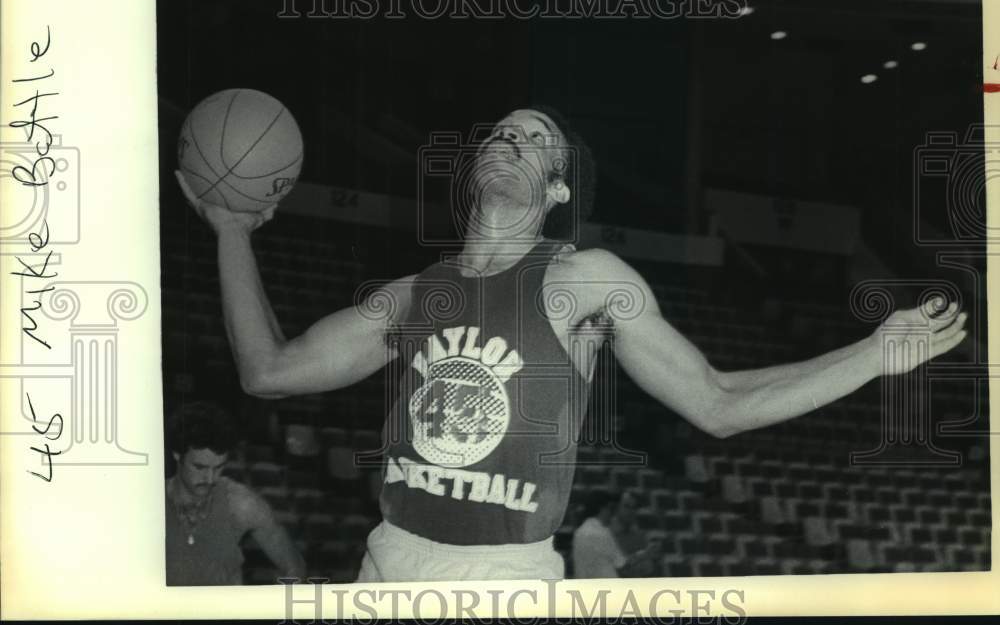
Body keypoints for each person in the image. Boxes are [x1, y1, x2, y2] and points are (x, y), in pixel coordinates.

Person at [175, 106, 968, 582]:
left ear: (557, 191)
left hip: (505, 577)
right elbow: (268, 372)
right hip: (386, 562)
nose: (510, 138)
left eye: (534, 137)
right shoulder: (415, 294)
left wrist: (872, 354)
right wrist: (231, 231)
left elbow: (718, 403)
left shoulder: (583, 279)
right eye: (501, 131)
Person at [165, 401, 306, 585]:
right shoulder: (147, 504)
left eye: (218, 467)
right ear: (177, 454)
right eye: (199, 467)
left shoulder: (241, 504)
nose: (209, 479)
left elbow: (295, 567)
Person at [572, 490, 663, 578]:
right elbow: (623, 566)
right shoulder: (602, 532)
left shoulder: (580, 532)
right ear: (602, 509)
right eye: (611, 508)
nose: (612, 513)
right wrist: (646, 553)